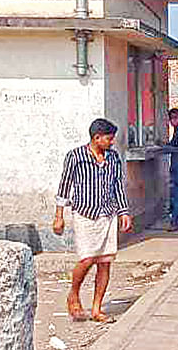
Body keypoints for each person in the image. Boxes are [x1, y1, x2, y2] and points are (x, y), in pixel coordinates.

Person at [52, 118, 132, 324]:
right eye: (108, 138)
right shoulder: (75, 156)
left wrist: (124, 212)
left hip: (108, 214)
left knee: (105, 262)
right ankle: (73, 293)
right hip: (85, 214)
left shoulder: (113, 158)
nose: (112, 142)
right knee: (87, 259)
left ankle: (97, 309)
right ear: (96, 138)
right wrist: (59, 215)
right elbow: (64, 186)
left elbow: (118, 186)